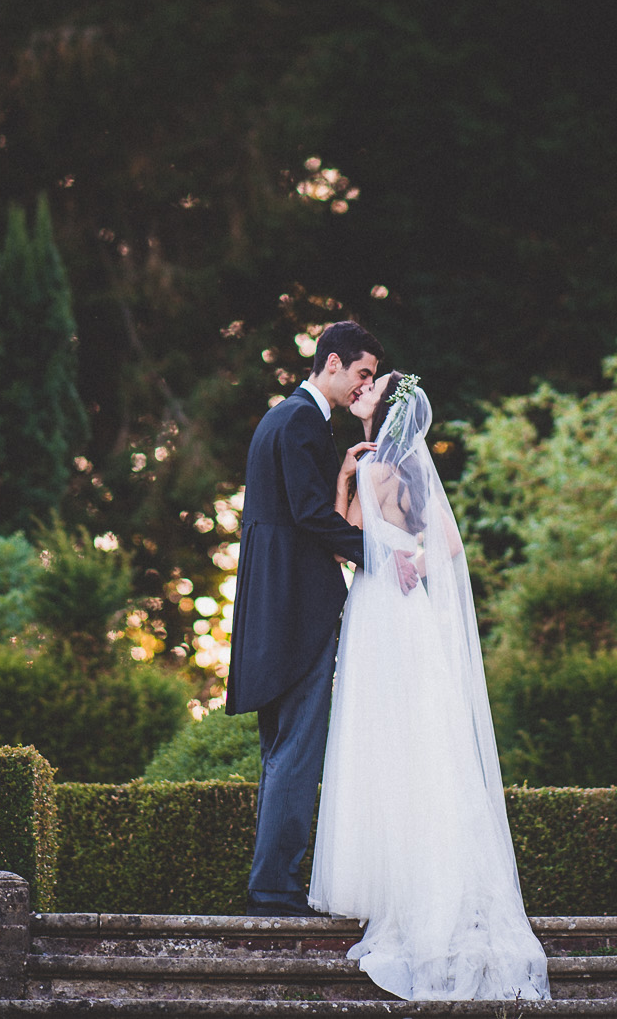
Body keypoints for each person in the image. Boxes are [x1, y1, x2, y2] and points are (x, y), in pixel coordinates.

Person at [309, 370, 549, 1000]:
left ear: (381, 408)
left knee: (386, 740)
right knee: (422, 742)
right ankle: (425, 879)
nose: (360, 389)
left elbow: (345, 543)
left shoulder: (373, 467)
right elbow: (441, 541)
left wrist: (346, 489)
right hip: (404, 615)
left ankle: (403, 891)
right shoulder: (402, 468)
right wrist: (408, 557)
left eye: (370, 386)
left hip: (379, 613)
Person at [224, 319, 387, 915]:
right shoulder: (300, 421)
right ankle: (273, 888)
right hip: (298, 608)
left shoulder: (285, 417)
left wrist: (343, 468)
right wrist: (381, 558)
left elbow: (300, 509)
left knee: (282, 750)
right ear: (335, 361)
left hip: (272, 605)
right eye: (362, 374)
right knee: (297, 750)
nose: (363, 387)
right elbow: (313, 516)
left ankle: (271, 881)